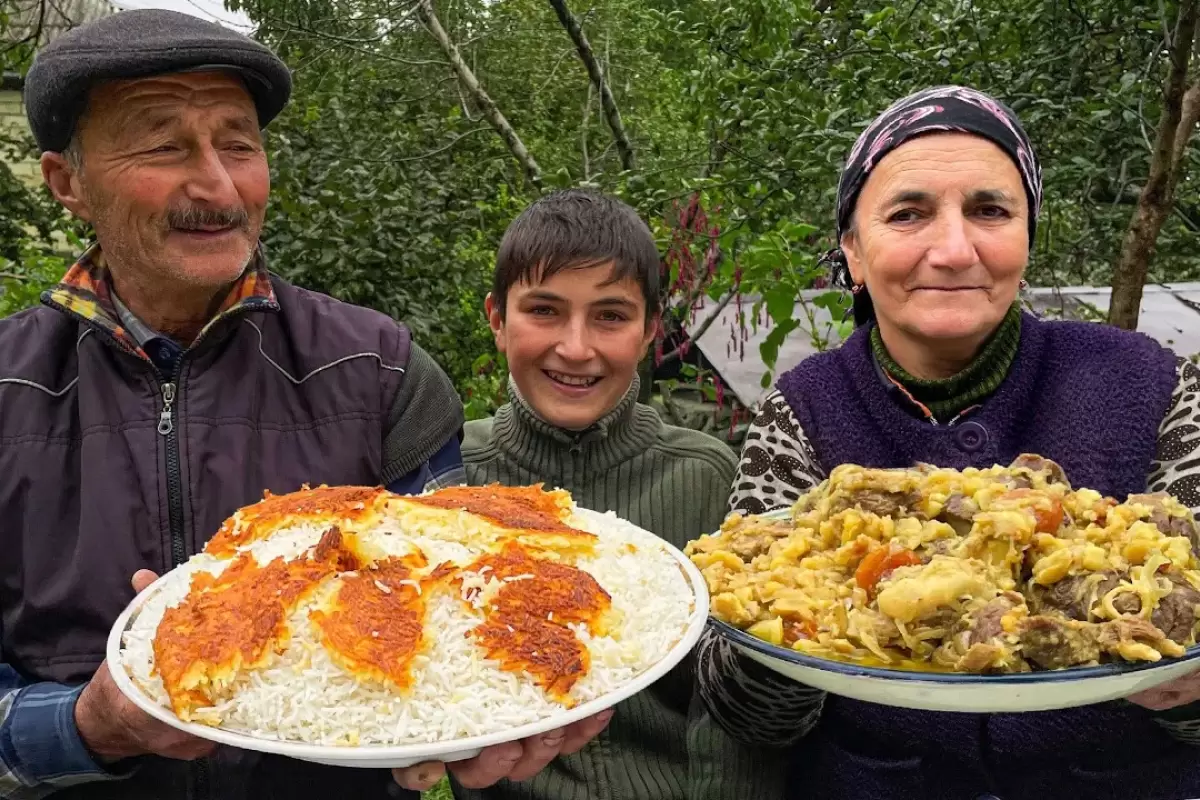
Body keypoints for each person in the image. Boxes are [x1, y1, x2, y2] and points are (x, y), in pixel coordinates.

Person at [0, 11, 607, 799]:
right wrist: (88, 726)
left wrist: (485, 726)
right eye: (164, 145)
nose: (217, 185)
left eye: (238, 144)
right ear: (67, 183)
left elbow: (470, 602)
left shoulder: (381, 372)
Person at [695, 85, 1200, 800]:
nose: (955, 248)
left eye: (990, 211)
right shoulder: (801, 411)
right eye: (909, 214)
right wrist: (775, 634)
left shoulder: (1152, 383)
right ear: (855, 253)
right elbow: (746, 713)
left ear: (1027, 234)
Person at [455, 189, 763, 800]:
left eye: (610, 316)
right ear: (497, 320)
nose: (575, 347)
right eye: (544, 311)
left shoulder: (705, 474)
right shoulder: (450, 481)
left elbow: (732, 711)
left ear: (650, 329)